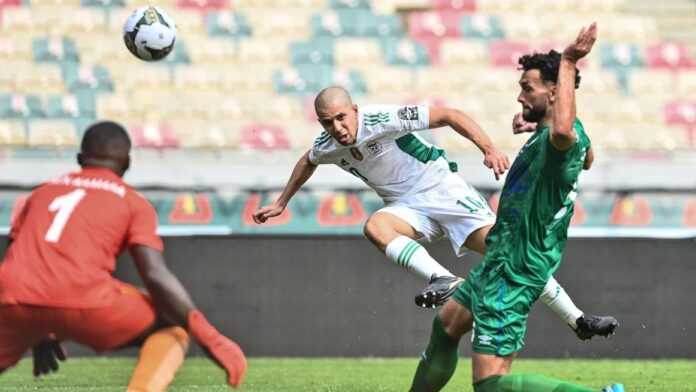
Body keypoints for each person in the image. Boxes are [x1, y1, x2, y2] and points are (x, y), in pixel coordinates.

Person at [252, 84, 616, 340]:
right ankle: (443, 279)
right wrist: (282, 201)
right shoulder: (327, 144)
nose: (338, 128)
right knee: (376, 227)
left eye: (342, 118)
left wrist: (488, 148)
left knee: (512, 256)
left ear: (355, 110)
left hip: (442, 190)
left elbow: (449, 115)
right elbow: (308, 160)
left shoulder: (382, 118)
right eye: (328, 122)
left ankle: (578, 319)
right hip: (406, 208)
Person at [409, 23, 625, 392]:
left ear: (555, 92)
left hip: (515, 270)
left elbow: (565, 137)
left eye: (528, 88)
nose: (520, 97)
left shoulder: (560, 140)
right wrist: (534, 124)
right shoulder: (561, 137)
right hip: (499, 260)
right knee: (446, 325)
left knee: (491, 385)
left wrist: (570, 60)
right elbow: (587, 156)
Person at [0, 121, 247, 391]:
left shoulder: (41, 193)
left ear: (80, 158)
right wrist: (211, 338)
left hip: (12, 299)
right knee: (170, 324)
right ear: (128, 163)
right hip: (85, 299)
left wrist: (38, 329)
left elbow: (17, 257)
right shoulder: (134, 203)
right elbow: (155, 275)